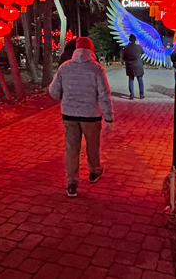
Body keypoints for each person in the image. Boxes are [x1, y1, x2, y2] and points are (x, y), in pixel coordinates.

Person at [49, 37, 114, 198]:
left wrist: (65, 97)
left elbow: (54, 91)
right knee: (92, 145)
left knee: (71, 148)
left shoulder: (65, 67)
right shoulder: (96, 68)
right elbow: (104, 94)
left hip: (69, 114)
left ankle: (72, 182)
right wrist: (109, 117)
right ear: (91, 50)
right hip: (90, 115)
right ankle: (94, 172)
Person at [122, 34, 145, 100]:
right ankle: (141, 95)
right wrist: (138, 44)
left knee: (131, 80)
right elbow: (143, 52)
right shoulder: (138, 47)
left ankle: (132, 94)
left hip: (130, 66)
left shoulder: (126, 48)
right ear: (135, 40)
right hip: (138, 65)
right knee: (140, 80)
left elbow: (124, 57)